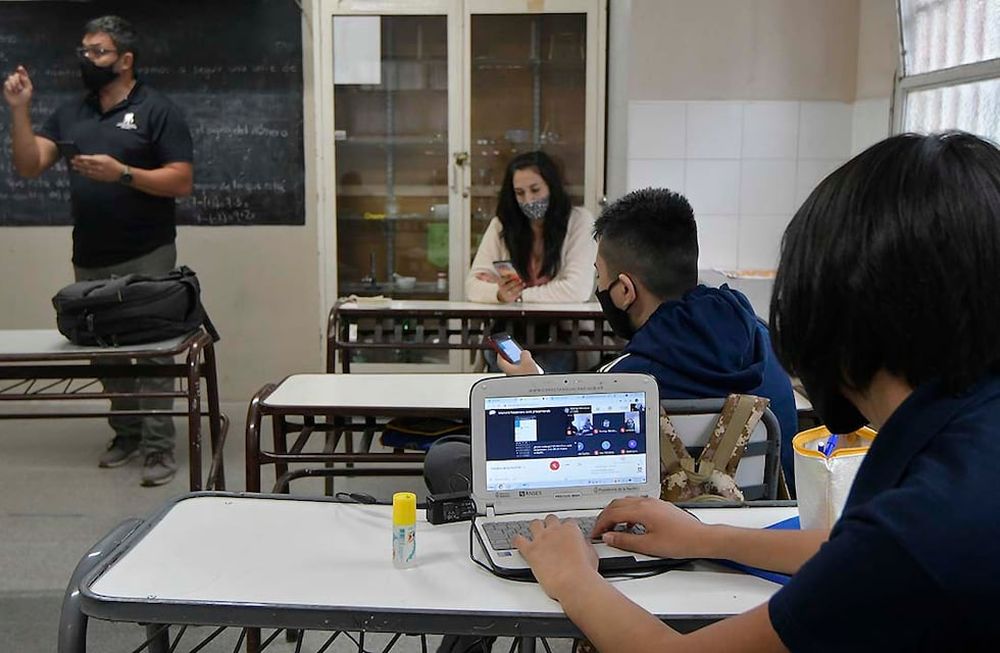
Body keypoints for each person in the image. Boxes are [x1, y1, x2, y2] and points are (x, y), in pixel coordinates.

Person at [513, 132, 1000, 651]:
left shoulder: (926, 529)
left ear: (836, 318)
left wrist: (572, 578)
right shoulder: (969, 447)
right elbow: (846, 549)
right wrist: (704, 537)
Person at [426, 187, 797, 653]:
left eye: (600, 278)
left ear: (624, 290)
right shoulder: (764, 345)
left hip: (635, 540)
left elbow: (562, 451)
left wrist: (531, 383)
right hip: (751, 540)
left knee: (452, 458)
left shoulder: (628, 382)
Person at [3, 16, 194, 486]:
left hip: (147, 251)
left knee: (151, 354)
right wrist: (20, 110)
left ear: (125, 61)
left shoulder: (157, 110)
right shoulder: (72, 113)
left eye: (98, 52)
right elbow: (30, 166)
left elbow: (181, 180)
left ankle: (158, 448)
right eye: (84, 51)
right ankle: (125, 435)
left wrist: (122, 173)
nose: (87, 60)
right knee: (104, 352)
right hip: (90, 253)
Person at [466, 150, 597, 373]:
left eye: (535, 190)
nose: (528, 199)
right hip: (510, 334)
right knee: (504, 370)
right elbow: (472, 285)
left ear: (552, 186)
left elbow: (576, 289)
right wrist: (498, 294)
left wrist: (518, 296)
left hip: (562, 338)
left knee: (542, 381)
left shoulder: (579, 221)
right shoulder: (502, 225)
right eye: (519, 193)